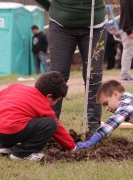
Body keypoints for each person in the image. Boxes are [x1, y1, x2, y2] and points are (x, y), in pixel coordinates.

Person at [35, 0, 107, 132]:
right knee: (57, 76)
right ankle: (50, 127)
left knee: (93, 75)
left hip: (95, 25)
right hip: (61, 26)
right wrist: (51, 8)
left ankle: (93, 127)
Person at [0, 71, 76, 161]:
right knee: (50, 123)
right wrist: (73, 146)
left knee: (16, 119)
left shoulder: (16, 87)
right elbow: (58, 129)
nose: (56, 103)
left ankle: (6, 147)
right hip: (9, 132)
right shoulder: (43, 104)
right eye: (57, 100)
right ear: (49, 96)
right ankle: (23, 153)